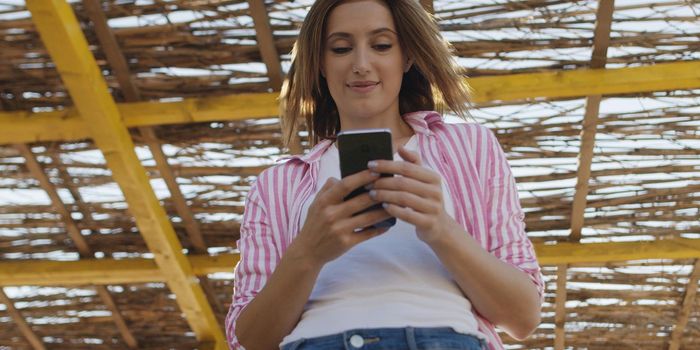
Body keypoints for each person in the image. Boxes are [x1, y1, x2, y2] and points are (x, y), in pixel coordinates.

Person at [225, 0, 544, 349]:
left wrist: (441, 228)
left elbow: (523, 316)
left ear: (406, 56)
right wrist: (307, 253)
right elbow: (248, 341)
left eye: (381, 45)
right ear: (320, 62)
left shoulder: (470, 146)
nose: (361, 64)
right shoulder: (276, 186)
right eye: (341, 48)